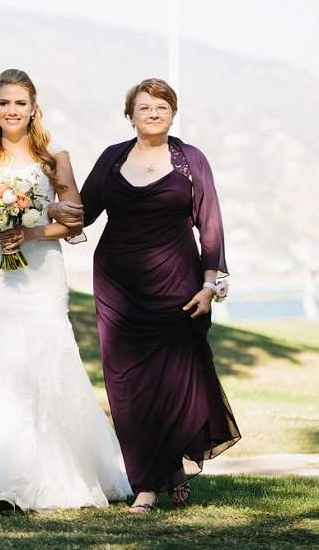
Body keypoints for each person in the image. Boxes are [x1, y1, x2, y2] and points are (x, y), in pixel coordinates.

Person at [0, 69, 131, 514]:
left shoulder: (54, 159)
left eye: (20, 103)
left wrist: (31, 232)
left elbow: (75, 221)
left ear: (33, 108)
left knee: (46, 358)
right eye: (4, 102)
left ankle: (53, 475)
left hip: (41, 274)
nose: (12, 111)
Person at [50, 78, 240, 513]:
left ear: (173, 114)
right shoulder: (113, 158)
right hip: (117, 287)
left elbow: (209, 225)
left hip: (177, 286)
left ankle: (166, 471)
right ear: (130, 114)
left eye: (161, 107)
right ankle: (147, 484)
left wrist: (210, 286)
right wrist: (53, 209)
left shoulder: (192, 160)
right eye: (144, 107)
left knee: (174, 381)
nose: (153, 113)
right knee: (128, 386)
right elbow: (84, 213)